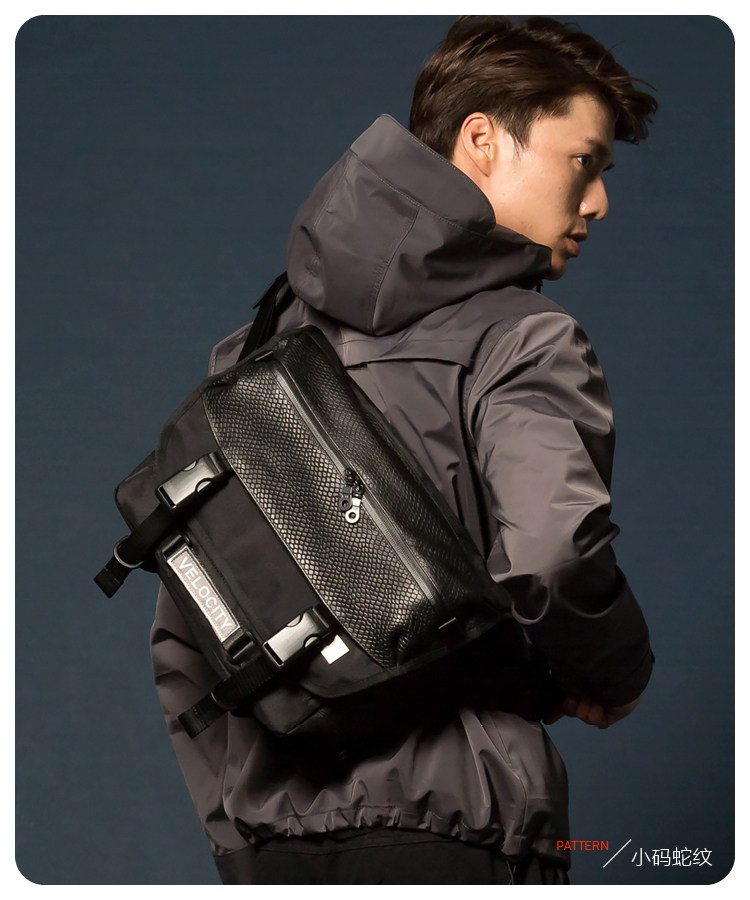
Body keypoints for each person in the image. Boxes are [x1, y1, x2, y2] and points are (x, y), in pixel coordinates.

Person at [150, 15, 656, 884]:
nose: (599, 201)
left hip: (274, 849)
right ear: (482, 139)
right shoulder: (523, 338)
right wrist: (614, 672)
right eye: (585, 160)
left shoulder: (255, 347)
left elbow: (187, 620)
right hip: (457, 829)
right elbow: (553, 553)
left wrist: (241, 838)